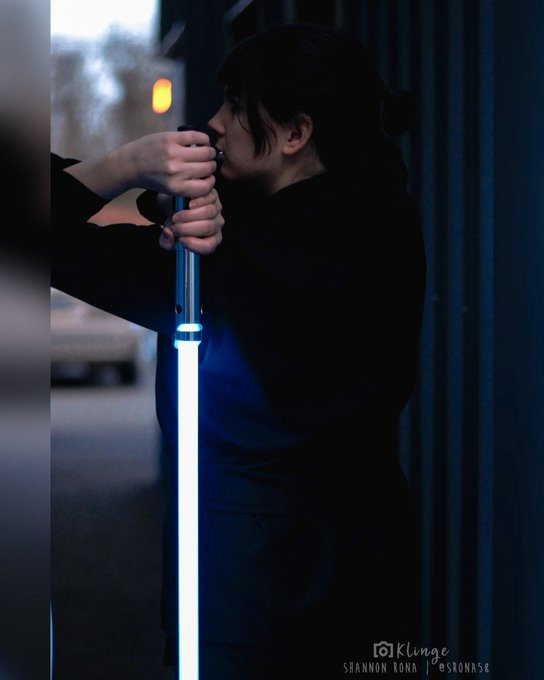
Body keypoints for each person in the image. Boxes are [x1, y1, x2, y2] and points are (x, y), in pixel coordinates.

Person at [52, 22, 426, 679]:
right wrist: (175, 202)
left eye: (235, 106)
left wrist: (123, 168)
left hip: (244, 581)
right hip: (371, 559)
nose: (215, 123)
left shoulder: (213, 263)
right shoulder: (390, 219)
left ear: (296, 133)